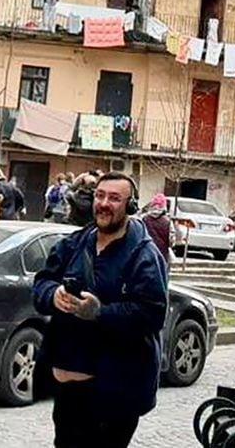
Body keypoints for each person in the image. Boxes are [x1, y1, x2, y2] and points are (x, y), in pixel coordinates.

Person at [33, 173, 168, 448]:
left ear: (130, 206)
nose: (104, 203)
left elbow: (152, 314)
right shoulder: (75, 243)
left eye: (114, 198)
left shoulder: (144, 255)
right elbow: (41, 283)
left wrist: (99, 312)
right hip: (69, 392)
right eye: (100, 195)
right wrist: (52, 295)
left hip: (114, 394)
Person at [139, 194, 172, 264]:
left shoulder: (144, 219)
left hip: (146, 253)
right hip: (162, 254)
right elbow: (171, 241)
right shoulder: (167, 222)